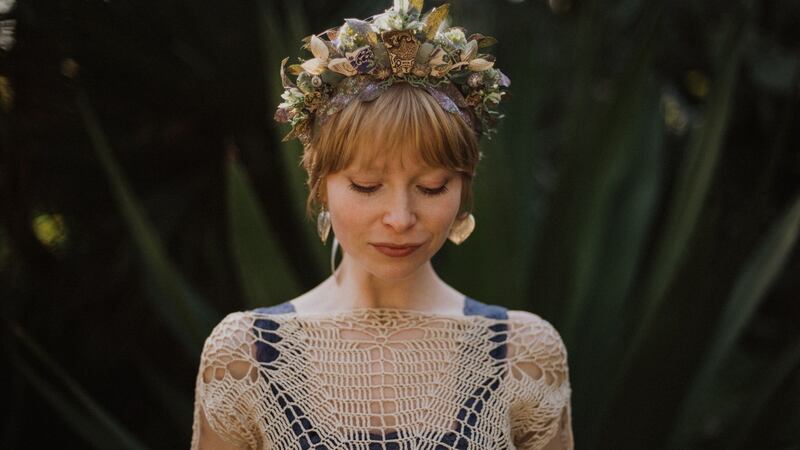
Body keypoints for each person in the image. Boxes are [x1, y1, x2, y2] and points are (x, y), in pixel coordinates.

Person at [191, 1, 573, 448]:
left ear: (464, 188)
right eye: (367, 185)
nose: (400, 218)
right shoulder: (245, 355)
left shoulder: (524, 354)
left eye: (432, 187)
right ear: (320, 183)